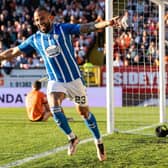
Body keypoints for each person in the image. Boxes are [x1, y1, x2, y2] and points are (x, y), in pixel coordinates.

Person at [0, 6, 121, 161]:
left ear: (50, 17)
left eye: (42, 18)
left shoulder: (63, 29)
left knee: (84, 113)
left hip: (75, 81)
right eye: (37, 20)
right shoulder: (35, 39)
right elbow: (13, 52)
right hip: (56, 81)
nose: (39, 22)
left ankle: (99, 141)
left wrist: (107, 23)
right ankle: (72, 138)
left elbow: (87, 27)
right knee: (54, 107)